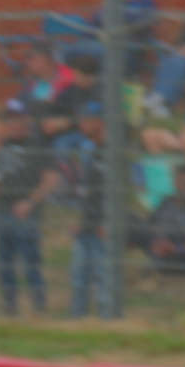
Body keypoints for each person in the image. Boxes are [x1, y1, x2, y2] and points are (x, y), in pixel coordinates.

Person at [0, 102, 60, 313]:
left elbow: (51, 179)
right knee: (4, 264)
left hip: (27, 213)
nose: (14, 124)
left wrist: (30, 202)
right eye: (10, 119)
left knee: (30, 262)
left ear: (26, 120)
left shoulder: (38, 145)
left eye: (18, 119)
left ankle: (38, 307)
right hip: (2, 210)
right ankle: (10, 306)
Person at [68, 105, 113, 317]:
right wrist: (80, 220)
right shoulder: (91, 151)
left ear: (100, 122)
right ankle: (77, 322)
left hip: (102, 229)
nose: (82, 125)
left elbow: (118, 194)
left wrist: (108, 222)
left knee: (104, 280)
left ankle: (108, 324)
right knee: (78, 279)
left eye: (87, 120)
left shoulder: (113, 153)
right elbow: (88, 194)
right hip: (86, 226)